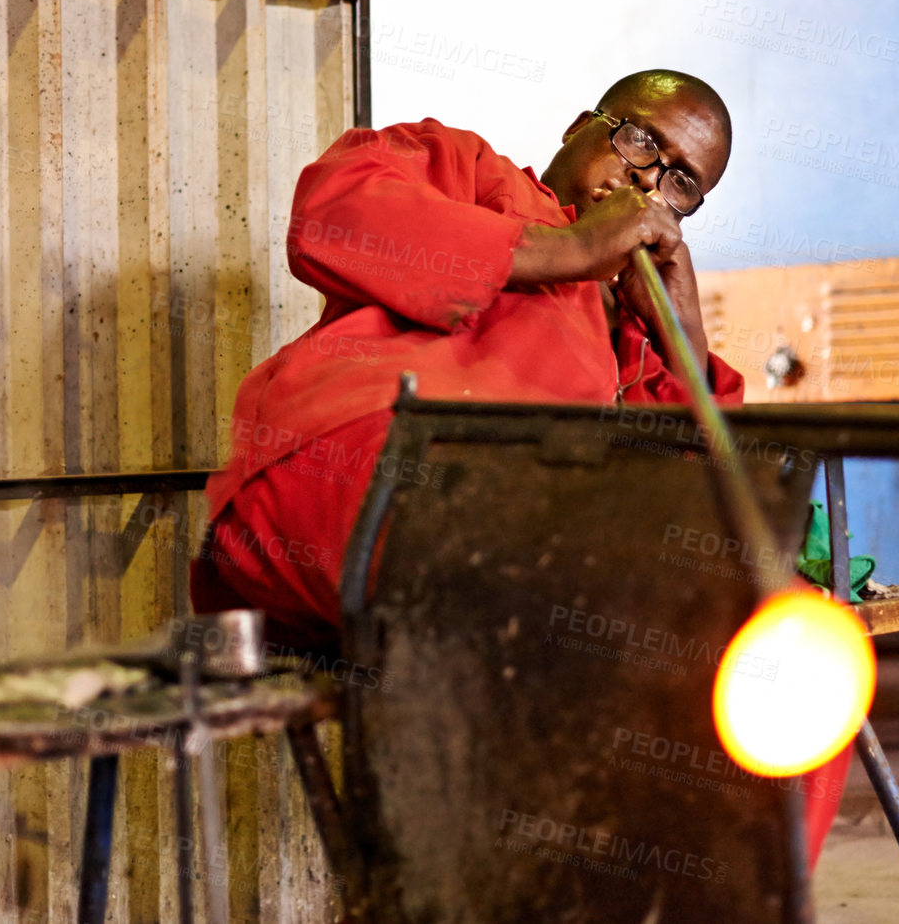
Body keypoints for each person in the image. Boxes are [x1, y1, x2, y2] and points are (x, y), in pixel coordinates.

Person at [192, 68, 848, 867]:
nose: (646, 180)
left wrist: (680, 330)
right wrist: (568, 249)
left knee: (795, 647)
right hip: (352, 483)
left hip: (523, 559)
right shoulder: (468, 171)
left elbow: (719, 504)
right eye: (641, 140)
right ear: (581, 126)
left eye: (681, 184)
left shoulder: (632, 337)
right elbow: (332, 210)